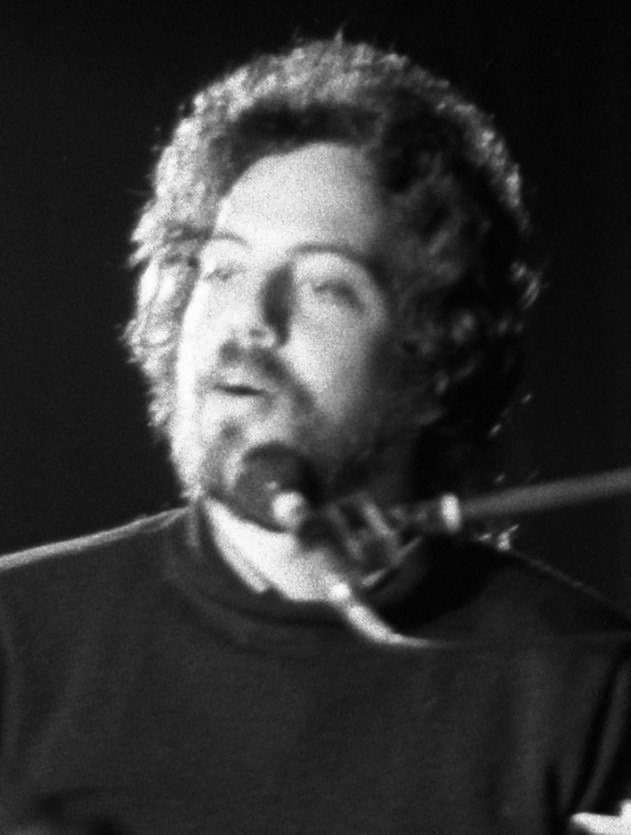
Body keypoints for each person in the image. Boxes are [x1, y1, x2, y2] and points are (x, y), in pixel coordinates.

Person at [0, 35, 630, 835]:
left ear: (435, 355)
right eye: (222, 270)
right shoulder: (16, 640)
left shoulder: (586, 679)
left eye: (324, 286)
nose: (249, 323)